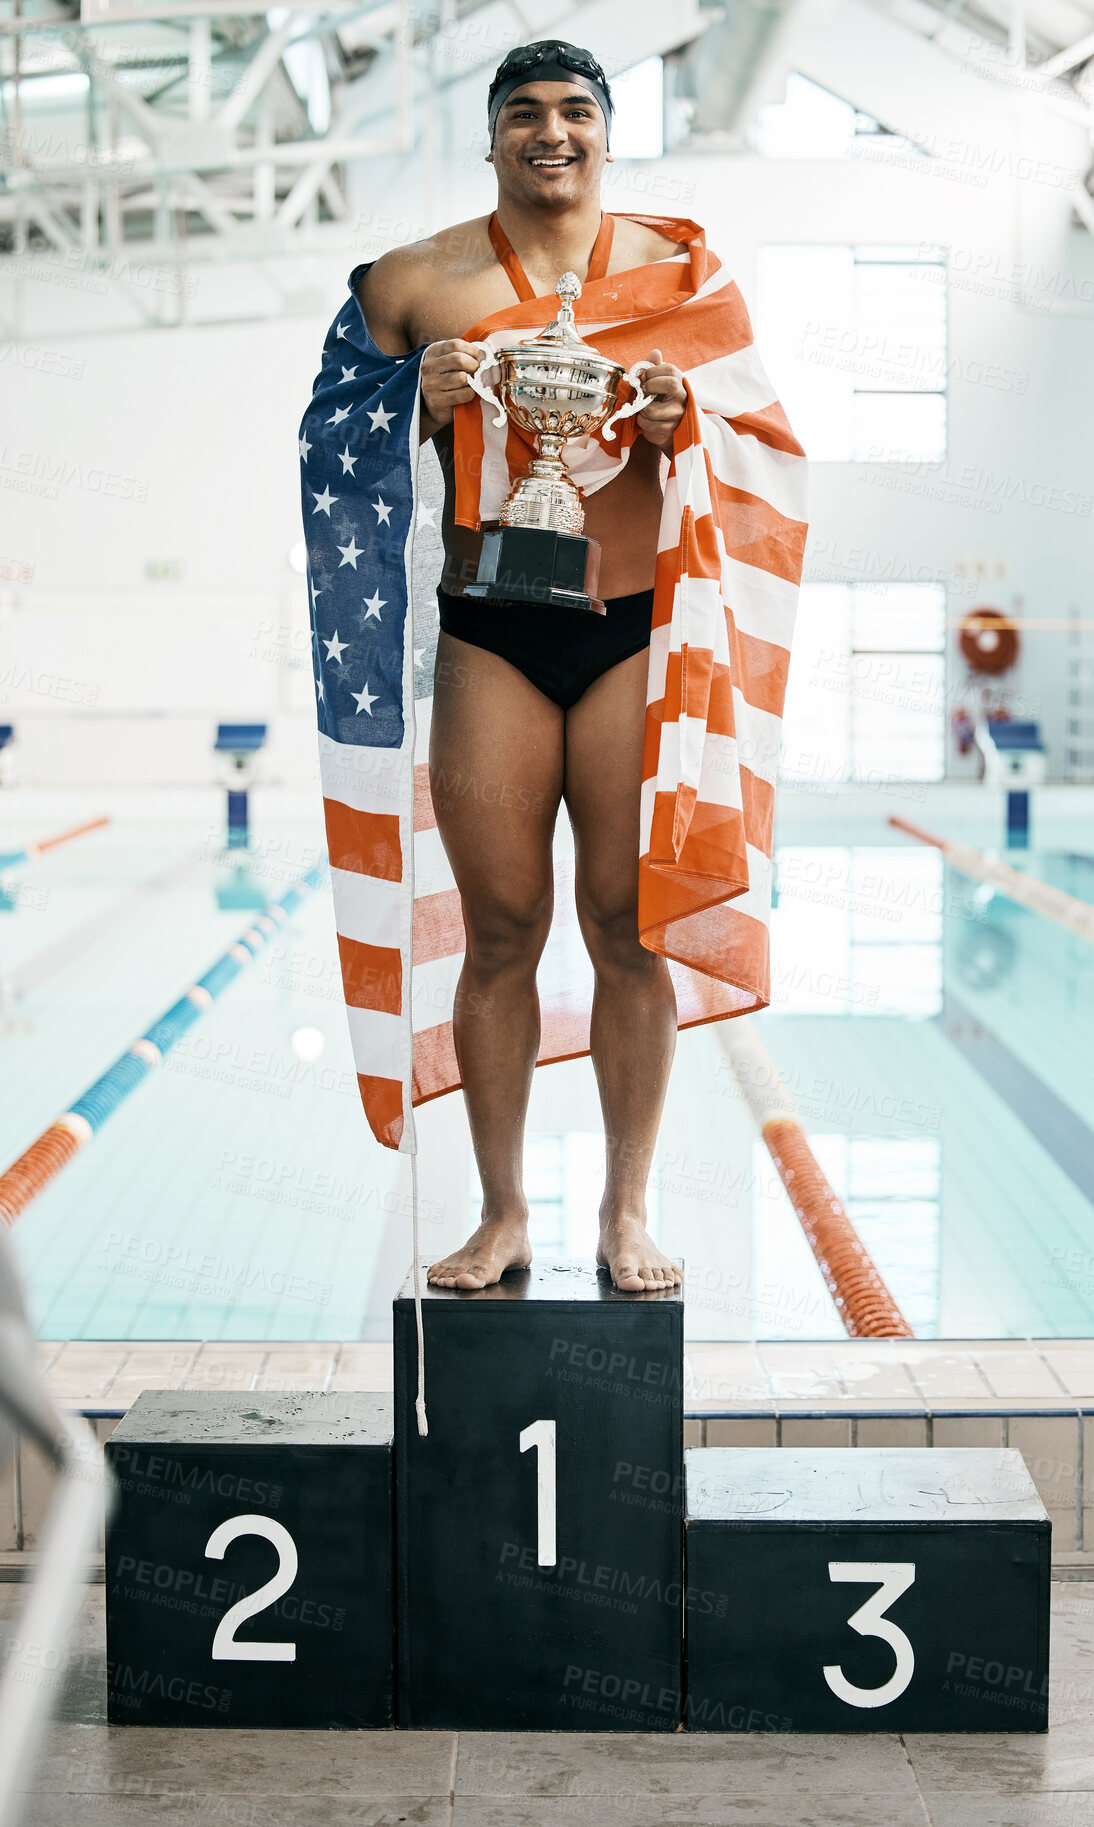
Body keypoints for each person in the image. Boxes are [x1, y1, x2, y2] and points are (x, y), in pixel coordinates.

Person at [349, 41, 806, 1297]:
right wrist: (409, 402)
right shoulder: (413, 284)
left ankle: (625, 1209)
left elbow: (767, 443)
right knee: (499, 932)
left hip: (630, 629)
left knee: (624, 926)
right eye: (522, 116)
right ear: (489, 137)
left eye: (573, 114)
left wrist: (686, 427)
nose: (549, 134)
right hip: (491, 630)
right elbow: (333, 453)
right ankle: (500, 1213)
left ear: (607, 133)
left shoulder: (680, 276)